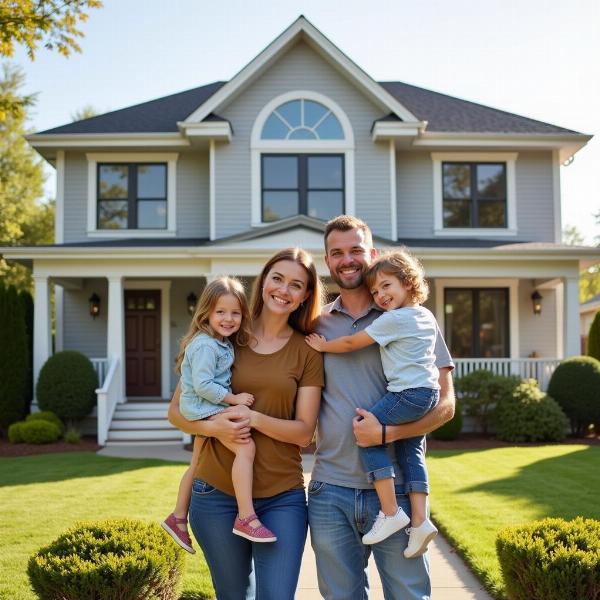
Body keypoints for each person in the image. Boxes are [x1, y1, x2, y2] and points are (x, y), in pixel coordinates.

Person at [308, 215, 455, 600]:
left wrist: (388, 434)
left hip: (400, 494)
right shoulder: (315, 324)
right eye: (337, 253)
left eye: (356, 250)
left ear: (371, 254)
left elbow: (446, 404)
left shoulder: (408, 317)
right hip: (331, 491)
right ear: (327, 261)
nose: (347, 259)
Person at [168, 248, 324, 600]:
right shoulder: (226, 332)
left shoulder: (307, 351)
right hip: (215, 493)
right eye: (277, 278)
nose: (284, 290)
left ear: (305, 296)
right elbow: (177, 411)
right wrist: (212, 428)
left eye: (296, 285)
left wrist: (253, 418)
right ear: (264, 281)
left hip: (281, 495)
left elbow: (303, 432)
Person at [162, 276, 277, 554]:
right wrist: (233, 399)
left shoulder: (219, 342)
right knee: (246, 448)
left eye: (235, 313)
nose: (228, 318)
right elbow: (202, 385)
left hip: (202, 406)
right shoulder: (205, 345)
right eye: (221, 312)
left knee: (197, 462)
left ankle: (177, 517)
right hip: (203, 407)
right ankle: (246, 516)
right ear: (206, 313)